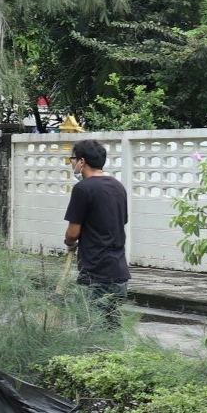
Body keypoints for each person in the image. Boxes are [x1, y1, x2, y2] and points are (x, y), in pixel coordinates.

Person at [62, 139, 130, 325]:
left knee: (90, 333)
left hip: (94, 274)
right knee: (112, 331)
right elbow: (121, 221)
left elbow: (73, 233)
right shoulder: (118, 186)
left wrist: (69, 242)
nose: (72, 163)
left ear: (82, 161)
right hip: (119, 274)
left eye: (72, 159)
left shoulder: (82, 189)